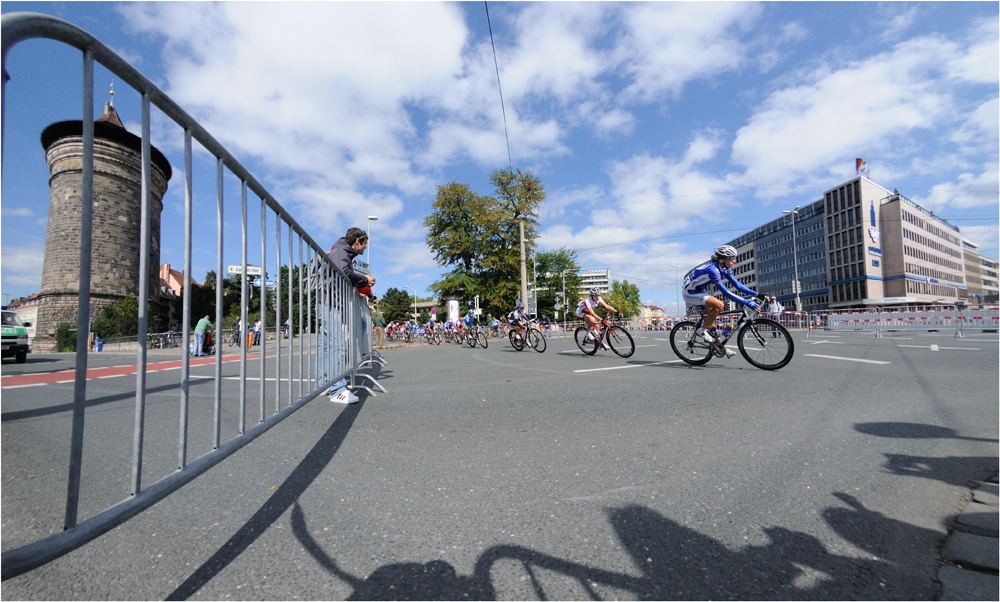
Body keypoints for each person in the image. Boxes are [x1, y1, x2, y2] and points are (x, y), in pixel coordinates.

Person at [682, 244, 767, 356]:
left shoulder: (725, 268)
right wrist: (747, 302)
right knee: (719, 305)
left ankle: (720, 348)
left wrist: (757, 294)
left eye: (734, 258)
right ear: (722, 259)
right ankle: (701, 331)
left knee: (711, 318)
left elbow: (737, 285)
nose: (734, 261)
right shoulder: (713, 270)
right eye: (731, 258)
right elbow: (726, 292)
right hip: (690, 292)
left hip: (699, 290)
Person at [323, 227, 376, 404]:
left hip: (330, 303)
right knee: (335, 346)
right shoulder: (340, 252)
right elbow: (345, 273)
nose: (365, 248)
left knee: (328, 346)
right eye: (365, 244)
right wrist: (364, 280)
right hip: (331, 304)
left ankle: (326, 382)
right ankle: (337, 389)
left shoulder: (340, 251)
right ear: (357, 242)